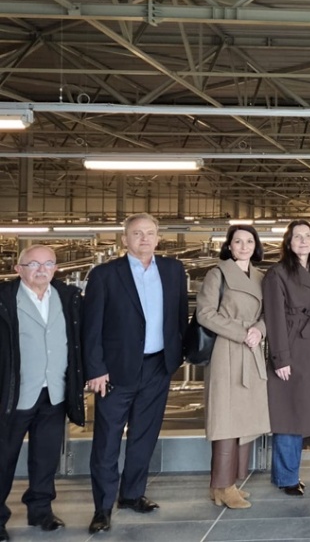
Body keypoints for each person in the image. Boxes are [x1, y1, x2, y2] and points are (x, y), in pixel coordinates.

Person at [82, 213, 189, 534]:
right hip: (115, 371)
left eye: (150, 233)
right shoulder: (104, 274)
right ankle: (102, 508)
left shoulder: (173, 270)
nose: (144, 239)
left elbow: (179, 315)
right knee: (107, 440)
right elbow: (91, 326)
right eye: (137, 233)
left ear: (158, 237)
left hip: (158, 365)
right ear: (124, 239)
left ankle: (131, 494)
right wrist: (96, 368)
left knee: (145, 434)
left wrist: (176, 356)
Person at [0, 246, 84, 540]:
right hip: (13, 395)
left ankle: (41, 511)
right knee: (3, 458)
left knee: (45, 457)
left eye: (48, 264)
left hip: (54, 393)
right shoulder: (4, 299)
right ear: (18, 269)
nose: (41, 269)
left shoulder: (67, 297)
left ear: (56, 268)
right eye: (33, 264)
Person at [196, 225, 270, 510]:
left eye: (249, 241)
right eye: (238, 241)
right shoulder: (217, 274)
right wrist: (241, 333)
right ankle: (223, 485)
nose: (244, 246)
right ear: (229, 246)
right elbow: (205, 313)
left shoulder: (260, 277)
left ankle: (226, 484)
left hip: (252, 350)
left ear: (256, 246)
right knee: (226, 419)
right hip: (226, 350)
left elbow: (268, 313)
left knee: (245, 418)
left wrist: (259, 330)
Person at [264, 220, 310, 498]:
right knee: (288, 413)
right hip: (291, 347)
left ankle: (291, 472)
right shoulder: (277, 273)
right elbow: (274, 317)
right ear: (288, 243)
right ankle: (286, 476)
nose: (303, 241)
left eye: (307, 236)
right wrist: (280, 358)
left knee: (301, 412)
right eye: (297, 236)